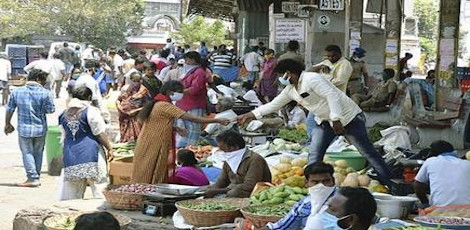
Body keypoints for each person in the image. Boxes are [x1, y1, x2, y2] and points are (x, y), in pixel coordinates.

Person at [237, 59, 392, 184]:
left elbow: (332, 95)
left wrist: (336, 119)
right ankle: (312, 185)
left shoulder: (312, 79)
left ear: (288, 74)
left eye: (280, 75)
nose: (278, 79)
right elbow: (273, 105)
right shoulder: (291, 89)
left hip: (348, 118)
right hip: (324, 121)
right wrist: (251, 114)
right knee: (314, 154)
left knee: (367, 152)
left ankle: (388, 181)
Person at [132, 81, 229, 184]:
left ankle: (147, 189)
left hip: (150, 140)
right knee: (150, 167)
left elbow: (158, 121)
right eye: (179, 92)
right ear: (170, 91)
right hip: (154, 141)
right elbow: (191, 118)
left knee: (150, 167)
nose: (181, 95)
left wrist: (175, 127)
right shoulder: (164, 105)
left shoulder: (159, 103)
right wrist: (216, 120)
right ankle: (146, 189)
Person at [58, 87, 112, 200]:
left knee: (73, 191)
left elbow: (63, 135)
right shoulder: (91, 111)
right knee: (99, 186)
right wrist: (109, 148)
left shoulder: (63, 114)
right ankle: (101, 213)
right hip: (91, 152)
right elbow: (99, 133)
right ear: (89, 98)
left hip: (71, 154)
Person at [4, 69, 55, 187]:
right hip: (40, 128)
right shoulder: (46, 93)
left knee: (27, 152)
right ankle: (35, 176)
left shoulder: (17, 92)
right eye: (43, 81)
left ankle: (32, 178)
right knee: (38, 152)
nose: (44, 83)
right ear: (38, 79)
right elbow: (50, 110)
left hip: (24, 128)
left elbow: (10, 109)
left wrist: (7, 124)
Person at [265, 162, 336, 230]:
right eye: (315, 182)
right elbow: (284, 224)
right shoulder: (306, 204)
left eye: (326, 181)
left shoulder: (342, 200)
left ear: (333, 181)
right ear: (307, 183)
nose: (321, 186)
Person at [204, 130, 271, 198]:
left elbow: (249, 185)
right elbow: (222, 181)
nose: (223, 153)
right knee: (209, 189)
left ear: (235, 147)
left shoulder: (254, 159)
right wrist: (212, 189)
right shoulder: (229, 158)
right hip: (233, 189)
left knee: (234, 193)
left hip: (255, 190)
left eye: (224, 150)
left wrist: (218, 191)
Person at [414, 141, 470, 207]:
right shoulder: (467, 164)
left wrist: (425, 203)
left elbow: (418, 185)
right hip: (467, 210)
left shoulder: (431, 161)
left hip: (439, 209)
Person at [175, 51, 210, 148]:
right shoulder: (189, 71)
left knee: (192, 130)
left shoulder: (199, 72)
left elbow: (195, 89)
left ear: (192, 60)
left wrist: (181, 91)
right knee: (182, 130)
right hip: (183, 104)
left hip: (193, 105)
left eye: (187, 60)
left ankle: (190, 150)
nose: (185, 62)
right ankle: (181, 150)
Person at [116, 72, 146, 143]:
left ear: (141, 80)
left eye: (138, 81)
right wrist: (120, 108)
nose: (136, 83)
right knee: (125, 133)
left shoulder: (143, 91)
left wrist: (136, 110)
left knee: (137, 133)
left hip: (137, 116)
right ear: (131, 79)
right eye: (134, 81)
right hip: (125, 116)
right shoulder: (126, 88)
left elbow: (146, 105)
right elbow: (118, 100)